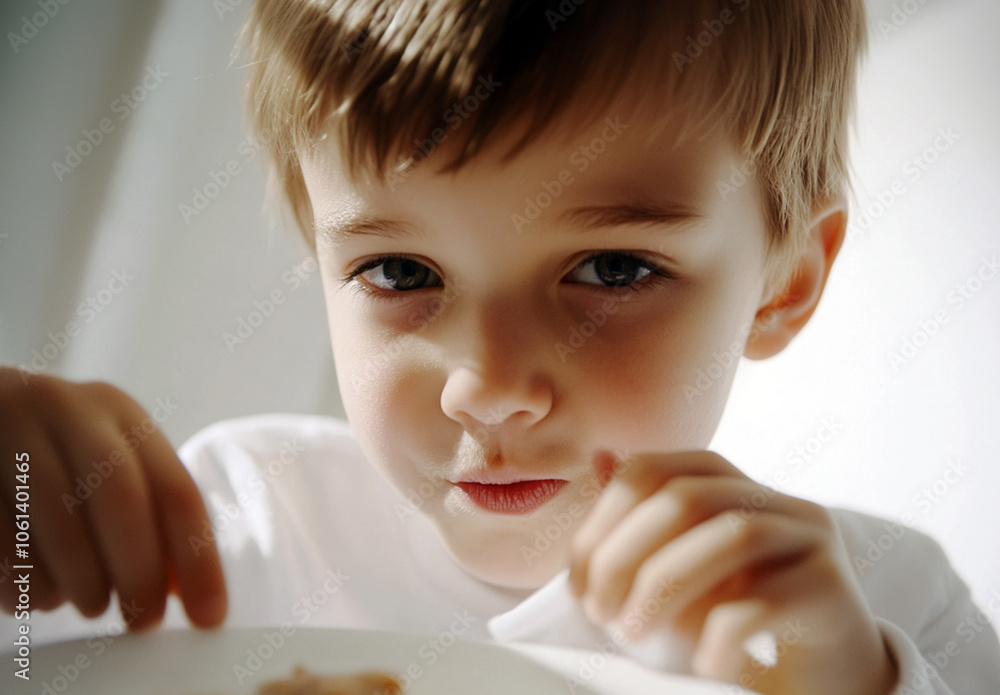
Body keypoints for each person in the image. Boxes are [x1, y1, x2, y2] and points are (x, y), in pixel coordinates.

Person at [1, 1, 998, 693]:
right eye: (400, 273)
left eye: (611, 270)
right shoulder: (227, 531)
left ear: (781, 284)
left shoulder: (876, 604)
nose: (487, 389)